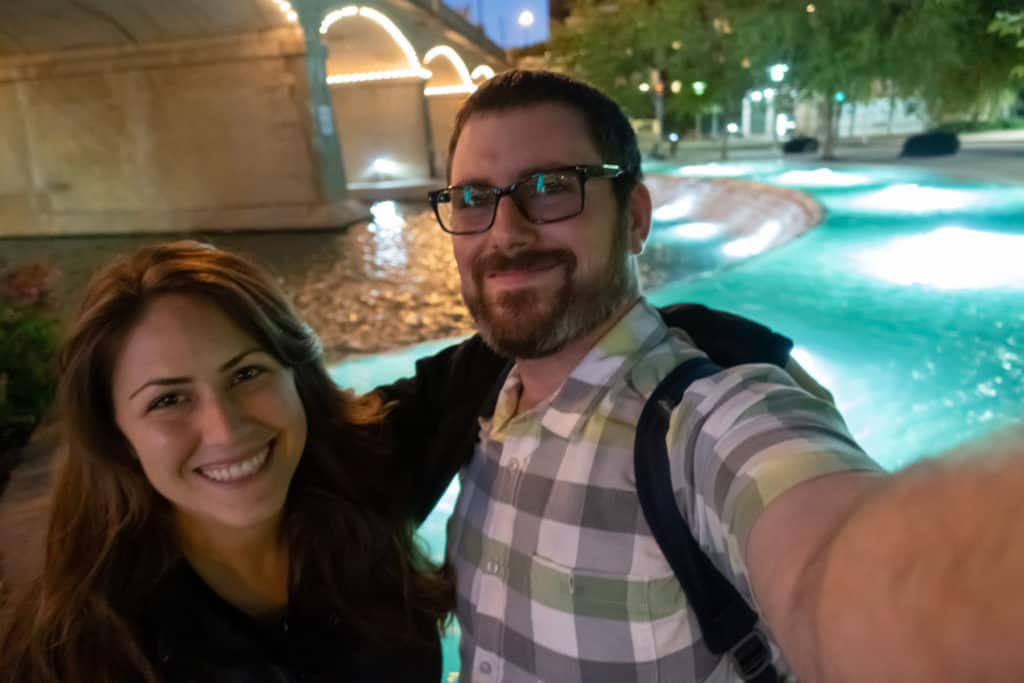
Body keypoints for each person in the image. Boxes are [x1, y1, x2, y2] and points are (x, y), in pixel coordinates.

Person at [413, 69, 1024, 682]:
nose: (505, 232)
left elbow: (834, 564)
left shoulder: (702, 423)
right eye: (472, 200)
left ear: (635, 219)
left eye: (550, 186)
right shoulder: (478, 406)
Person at [0, 241, 450, 683]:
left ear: (298, 377)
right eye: (169, 400)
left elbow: (499, 345)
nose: (225, 430)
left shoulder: (364, 470)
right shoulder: (73, 652)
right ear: (117, 435)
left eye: (247, 373)